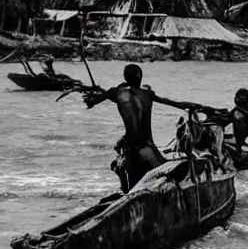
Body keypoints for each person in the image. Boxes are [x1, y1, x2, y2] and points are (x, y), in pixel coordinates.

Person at [82, 64, 198, 193]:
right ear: (140, 77)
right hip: (147, 147)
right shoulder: (147, 94)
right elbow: (174, 103)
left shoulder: (116, 93)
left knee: (131, 190)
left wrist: (92, 97)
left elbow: (91, 101)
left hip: (130, 148)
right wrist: (196, 107)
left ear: (125, 78)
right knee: (165, 175)